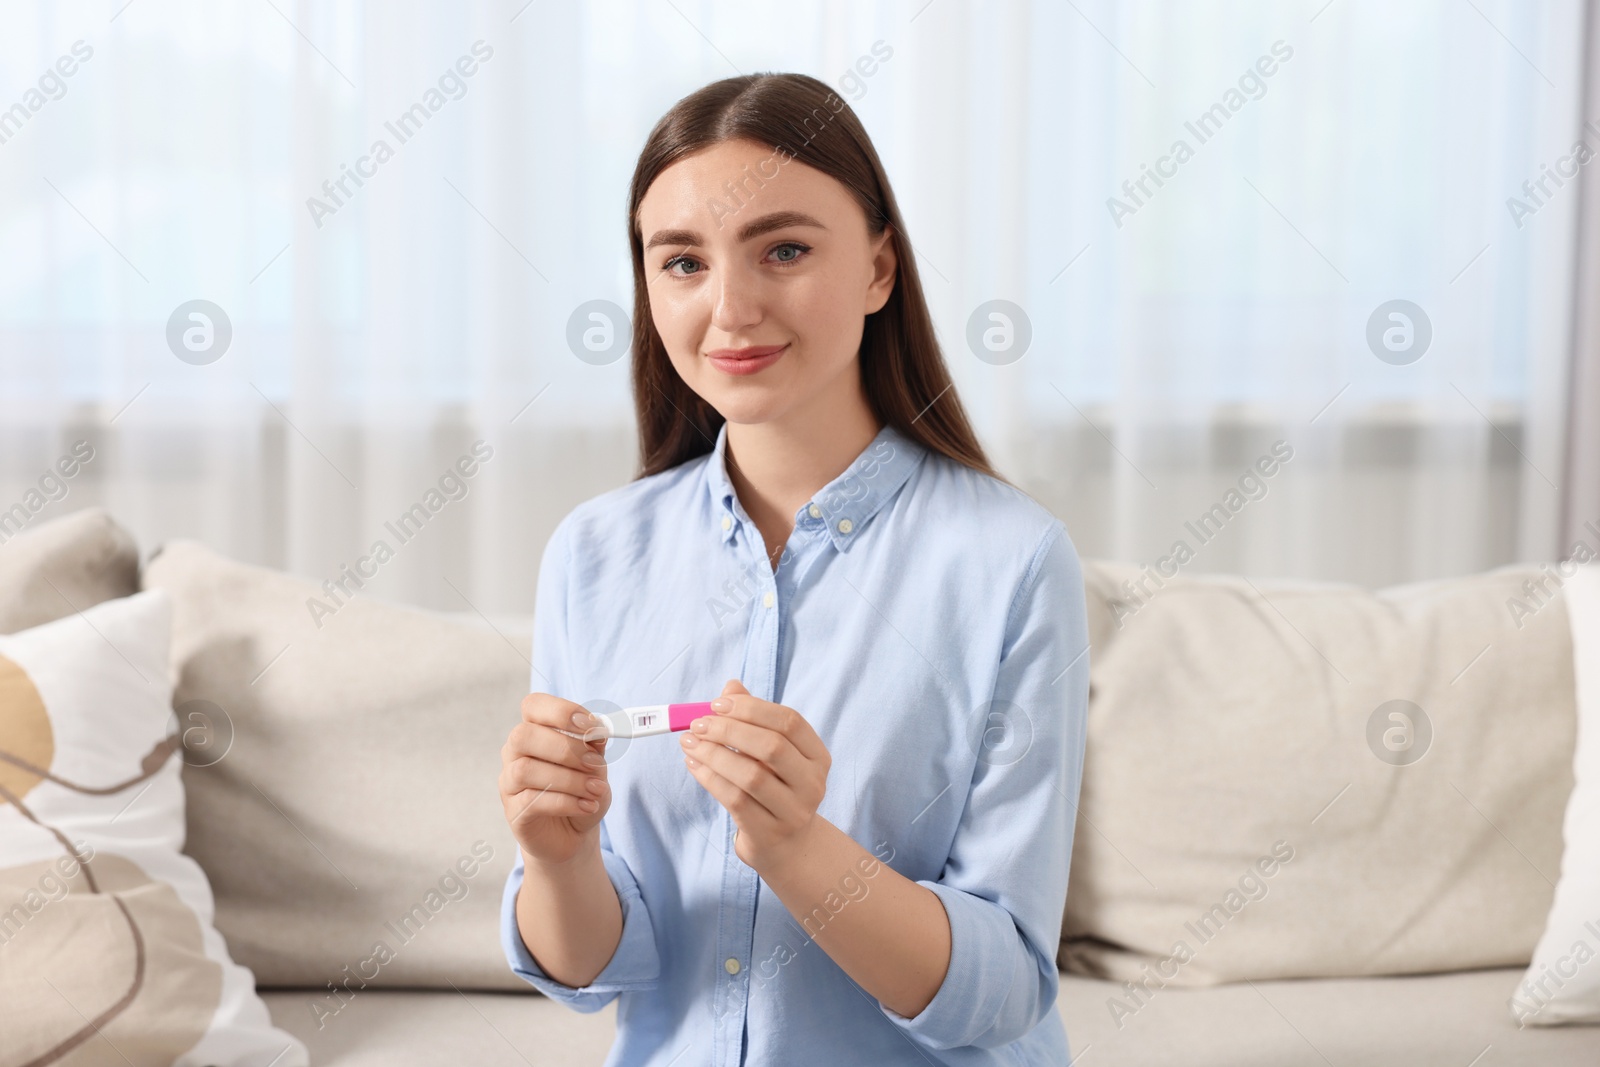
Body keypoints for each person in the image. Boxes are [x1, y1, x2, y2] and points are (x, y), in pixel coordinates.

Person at [497, 71, 1089, 1066]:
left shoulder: (1011, 561)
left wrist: (799, 849)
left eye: (783, 249)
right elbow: (599, 968)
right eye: (681, 262)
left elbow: (1005, 985)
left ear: (877, 268)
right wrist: (555, 856)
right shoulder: (592, 554)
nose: (731, 307)